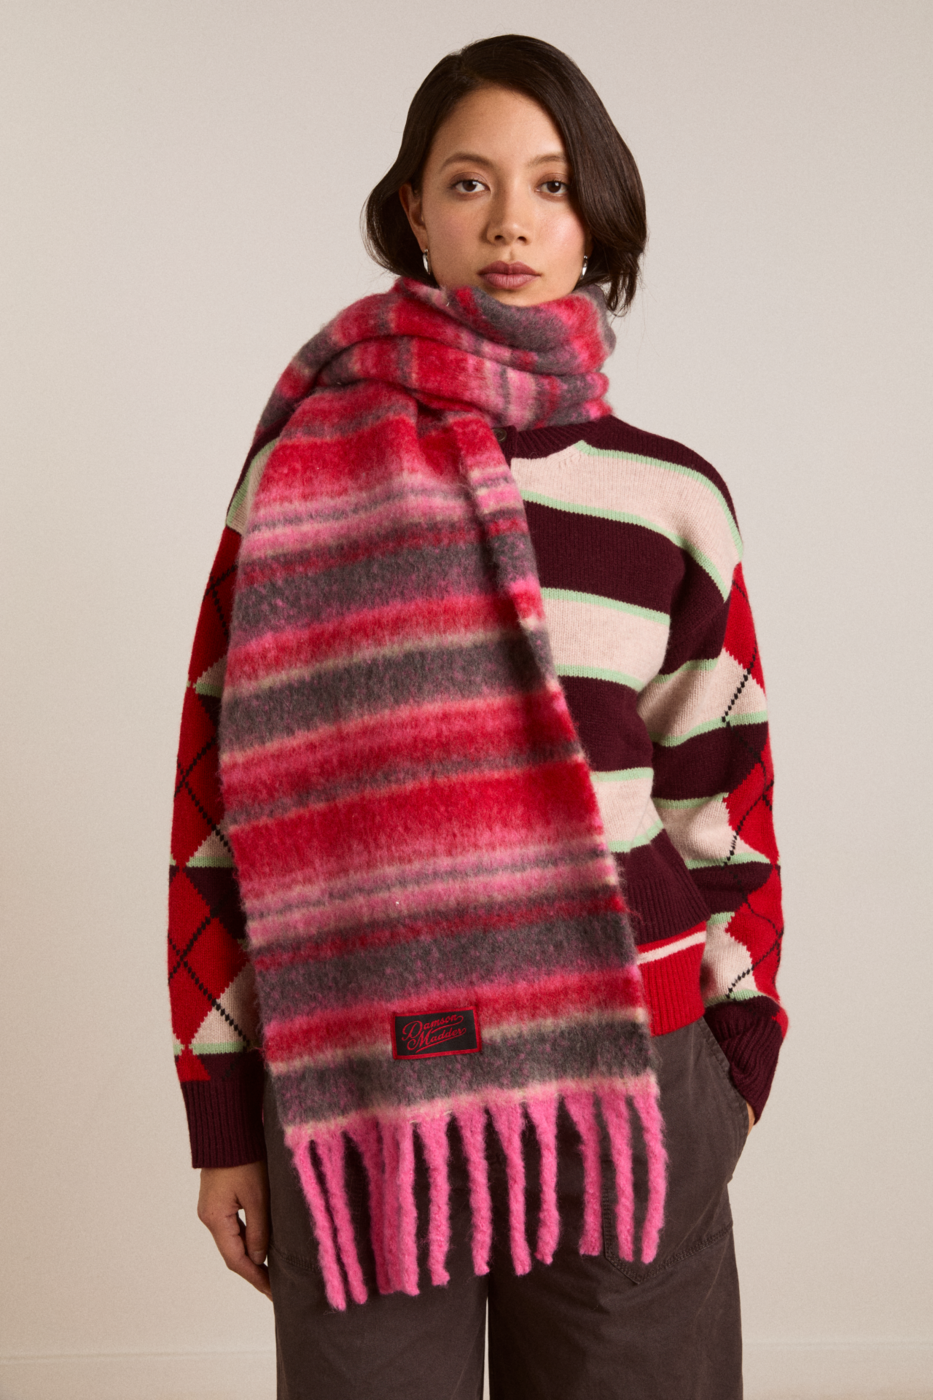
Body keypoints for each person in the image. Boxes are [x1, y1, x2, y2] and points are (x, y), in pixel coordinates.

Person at [168, 33, 785, 1400]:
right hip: (366, 1097)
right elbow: (216, 806)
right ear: (414, 210)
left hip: (631, 1081)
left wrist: (737, 1053)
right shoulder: (295, 485)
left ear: (596, 217)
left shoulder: (671, 497)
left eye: (552, 185)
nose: (510, 221)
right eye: (469, 181)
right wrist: (224, 1119)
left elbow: (725, 799)